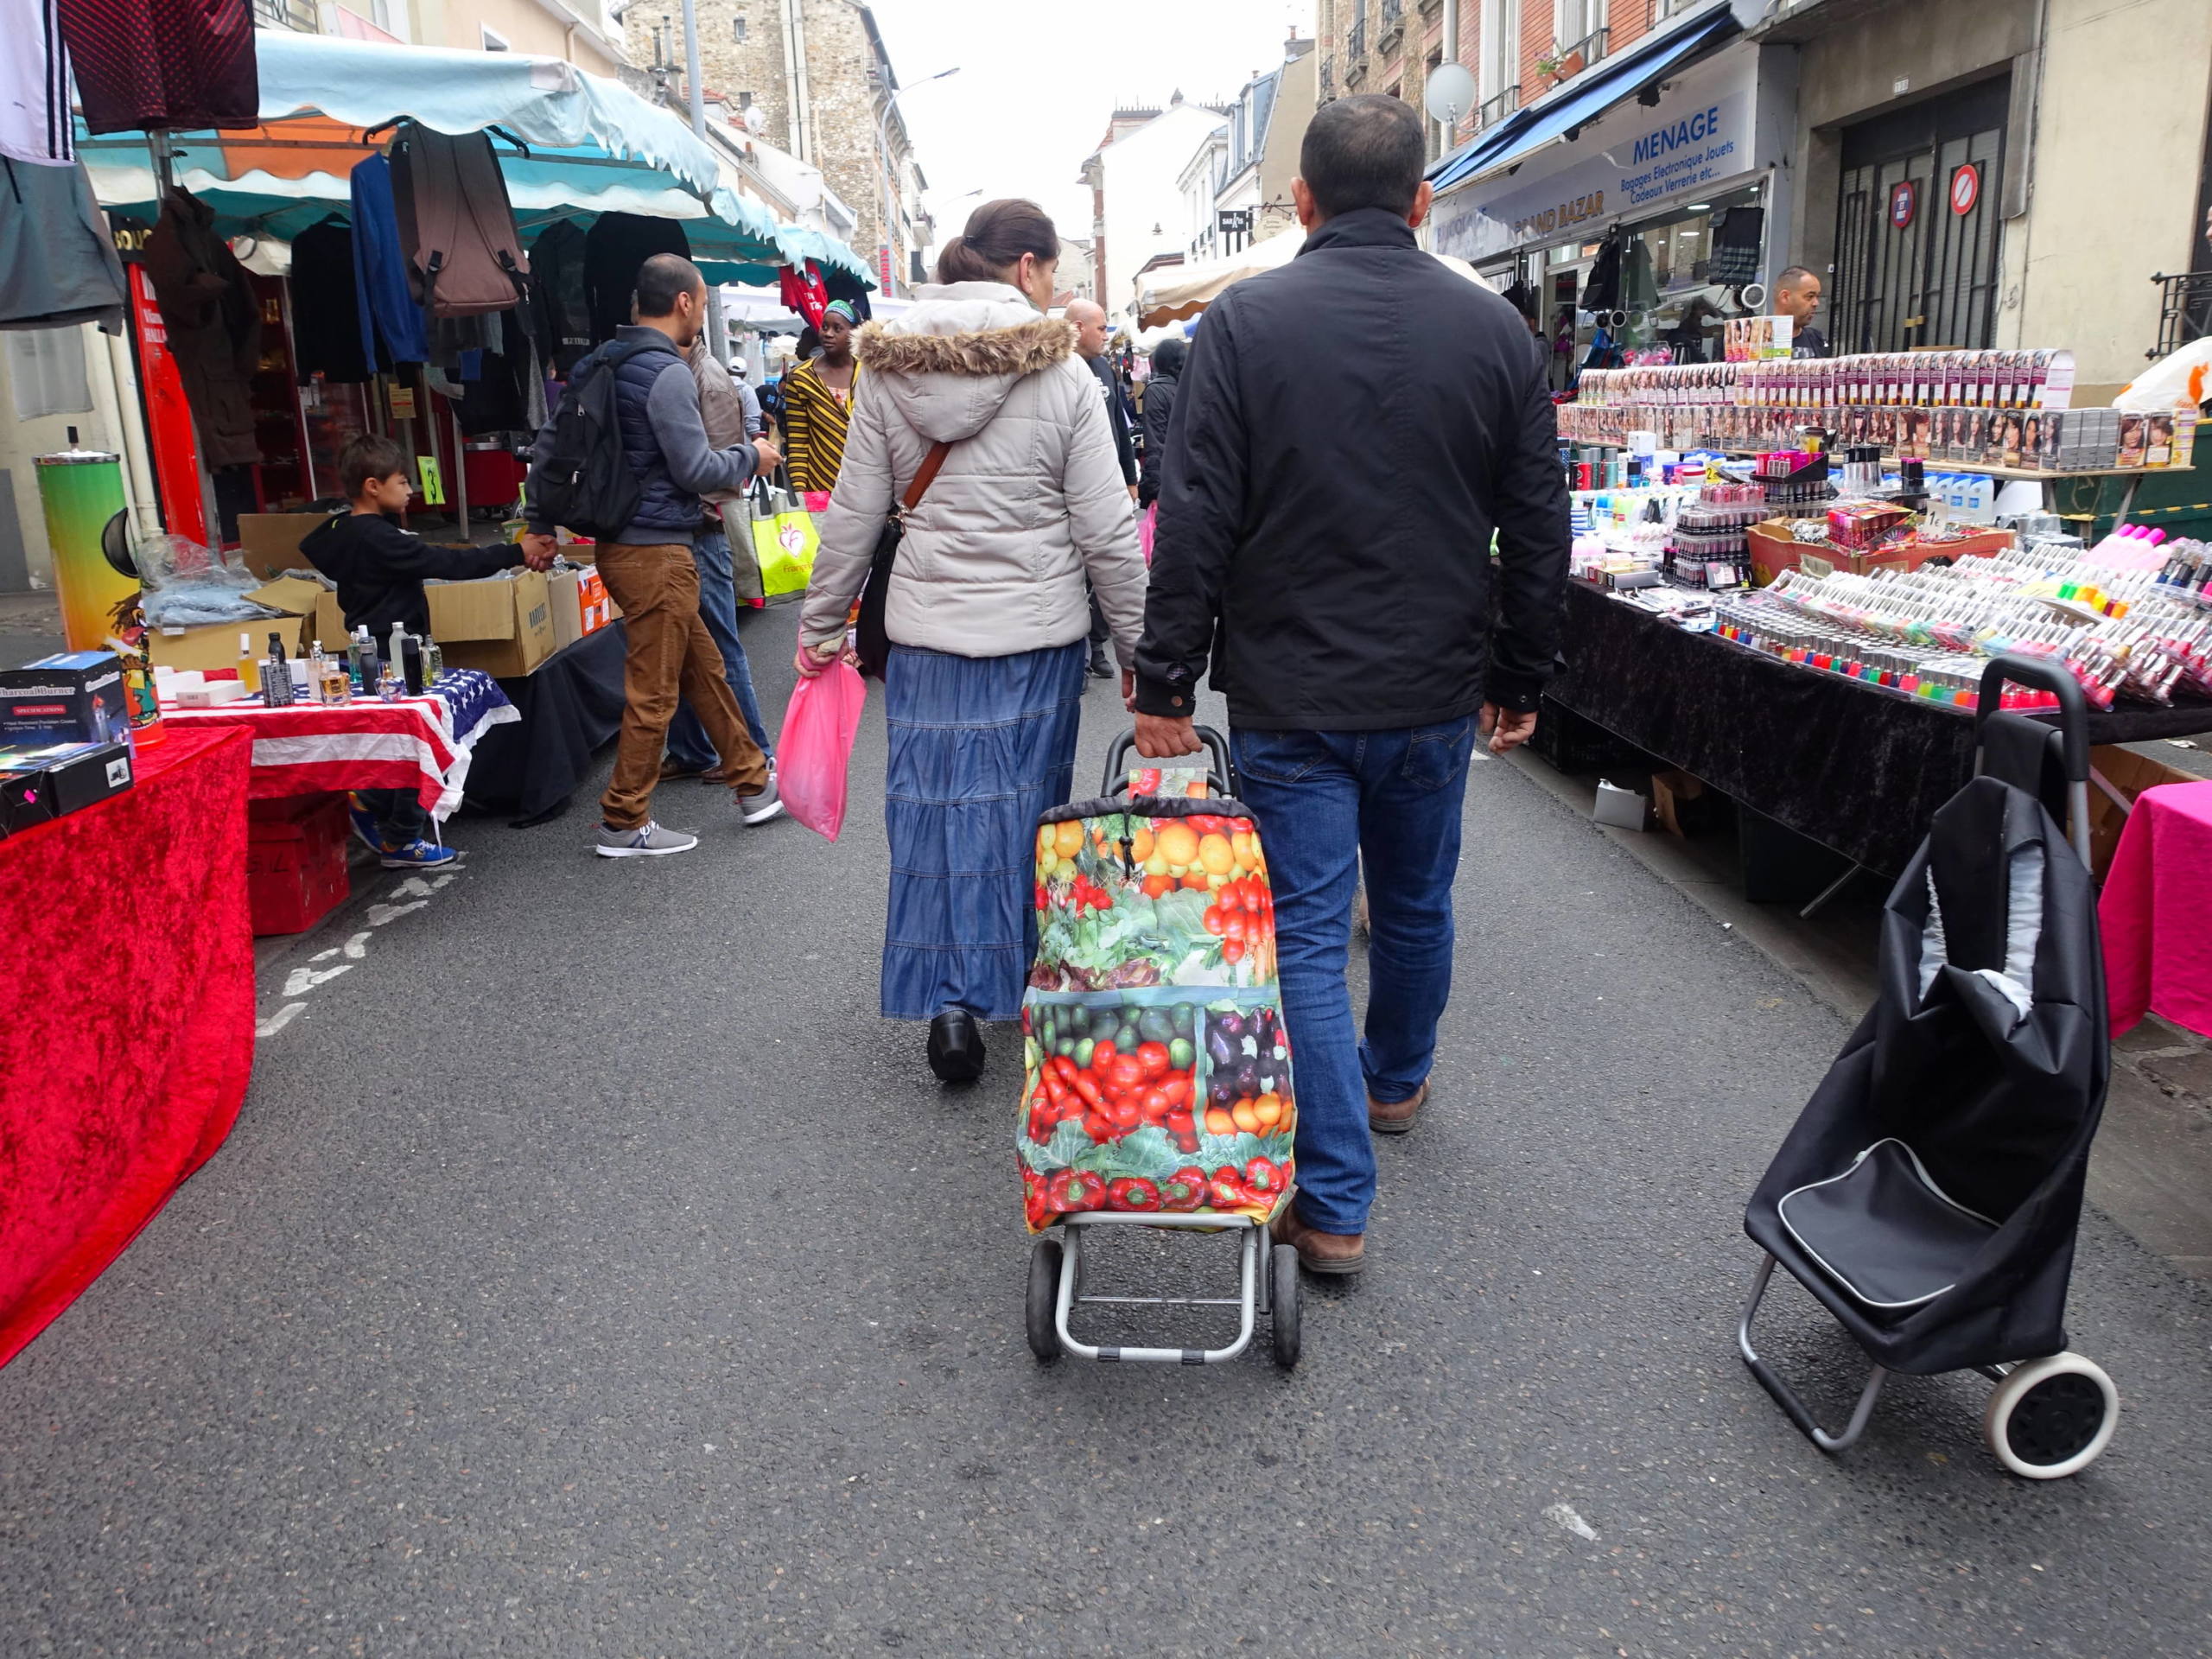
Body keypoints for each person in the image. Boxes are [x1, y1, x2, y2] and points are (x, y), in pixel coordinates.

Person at [1133, 93, 1569, 1278]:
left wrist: (1163, 676)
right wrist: (1523, 672)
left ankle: (1332, 1206)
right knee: (1417, 906)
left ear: (1302, 201)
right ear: (1425, 201)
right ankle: (1395, 1087)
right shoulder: (1498, 336)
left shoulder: (1245, 323)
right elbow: (1538, 528)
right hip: (1432, 684)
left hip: (1291, 688)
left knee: (1309, 941)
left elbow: (1197, 519)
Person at [794, 198, 1146, 1084]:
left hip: (927, 640)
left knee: (934, 812)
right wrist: (1146, 656)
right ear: (1025, 268)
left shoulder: (884, 371)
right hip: (1036, 640)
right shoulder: (1064, 378)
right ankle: (1021, 986)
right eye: (1054, 269)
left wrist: (819, 623)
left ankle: (948, 1001)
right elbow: (1106, 534)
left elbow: (854, 515)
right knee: (1023, 816)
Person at [520, 252, 783, 858]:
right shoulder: (667, 373)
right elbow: (696, 469)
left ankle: (753, 784)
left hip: (623, 547)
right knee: (656, 692)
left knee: (703, 669)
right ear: (686, 302)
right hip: (657, 551)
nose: (702, 316)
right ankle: (623, 820)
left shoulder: (596, 362)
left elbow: (549, 448)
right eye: (703, 304)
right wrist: (753, 457)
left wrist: (538, 523)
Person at [302, 434, 549, 869]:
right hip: (396, 654)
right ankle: (399, 838)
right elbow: (445, 564)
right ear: (373, 486)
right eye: (402, 481)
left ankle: (371, 801)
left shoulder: (342, 531)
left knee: (398, 742)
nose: (410, 490)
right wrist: (514, 551)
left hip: (367, 647)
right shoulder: (377, 537)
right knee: (425, 741)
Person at [662, 334, 779, 787]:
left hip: (702, 524)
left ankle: (754, 752)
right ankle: (695, 749)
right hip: (687, 523)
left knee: (717, 642)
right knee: (688, 643)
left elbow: (719, 464)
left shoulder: (707, 380)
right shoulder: (678, 371)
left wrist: (701, 510)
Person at [1066, 298, 1137, 679]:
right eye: (1101, 328)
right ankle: (1077, 655)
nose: (1106, 335)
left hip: (1109, 484)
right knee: (1075, 575)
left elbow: (1120, 428)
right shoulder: (1058, 369)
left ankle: (1097, 644)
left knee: (1102, 573)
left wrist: (1130, 479)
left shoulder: (1105, 370)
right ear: (1078, 328)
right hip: (1074, 491)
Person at [779, 301, 861, 493]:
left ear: (854, 332)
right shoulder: (801, 378)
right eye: (824, 327)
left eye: (837, 328)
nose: (828, 333)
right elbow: (798, 442)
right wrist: (801, 495)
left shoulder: (869, 373)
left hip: (867, 488)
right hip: (821, 489)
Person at [1137, 334, 1185, 509]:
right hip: (1191, 477)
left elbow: (1155, 442)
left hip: (1168, 480)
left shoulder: (1157, 390)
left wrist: (1154, 488)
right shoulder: (1190, 387)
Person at [1777, 265, 1831, 358]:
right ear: (1785, 297)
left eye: (1817, 297)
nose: (1816, 303)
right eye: (1809, 296)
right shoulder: (1757, 340)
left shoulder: (1817, 339)